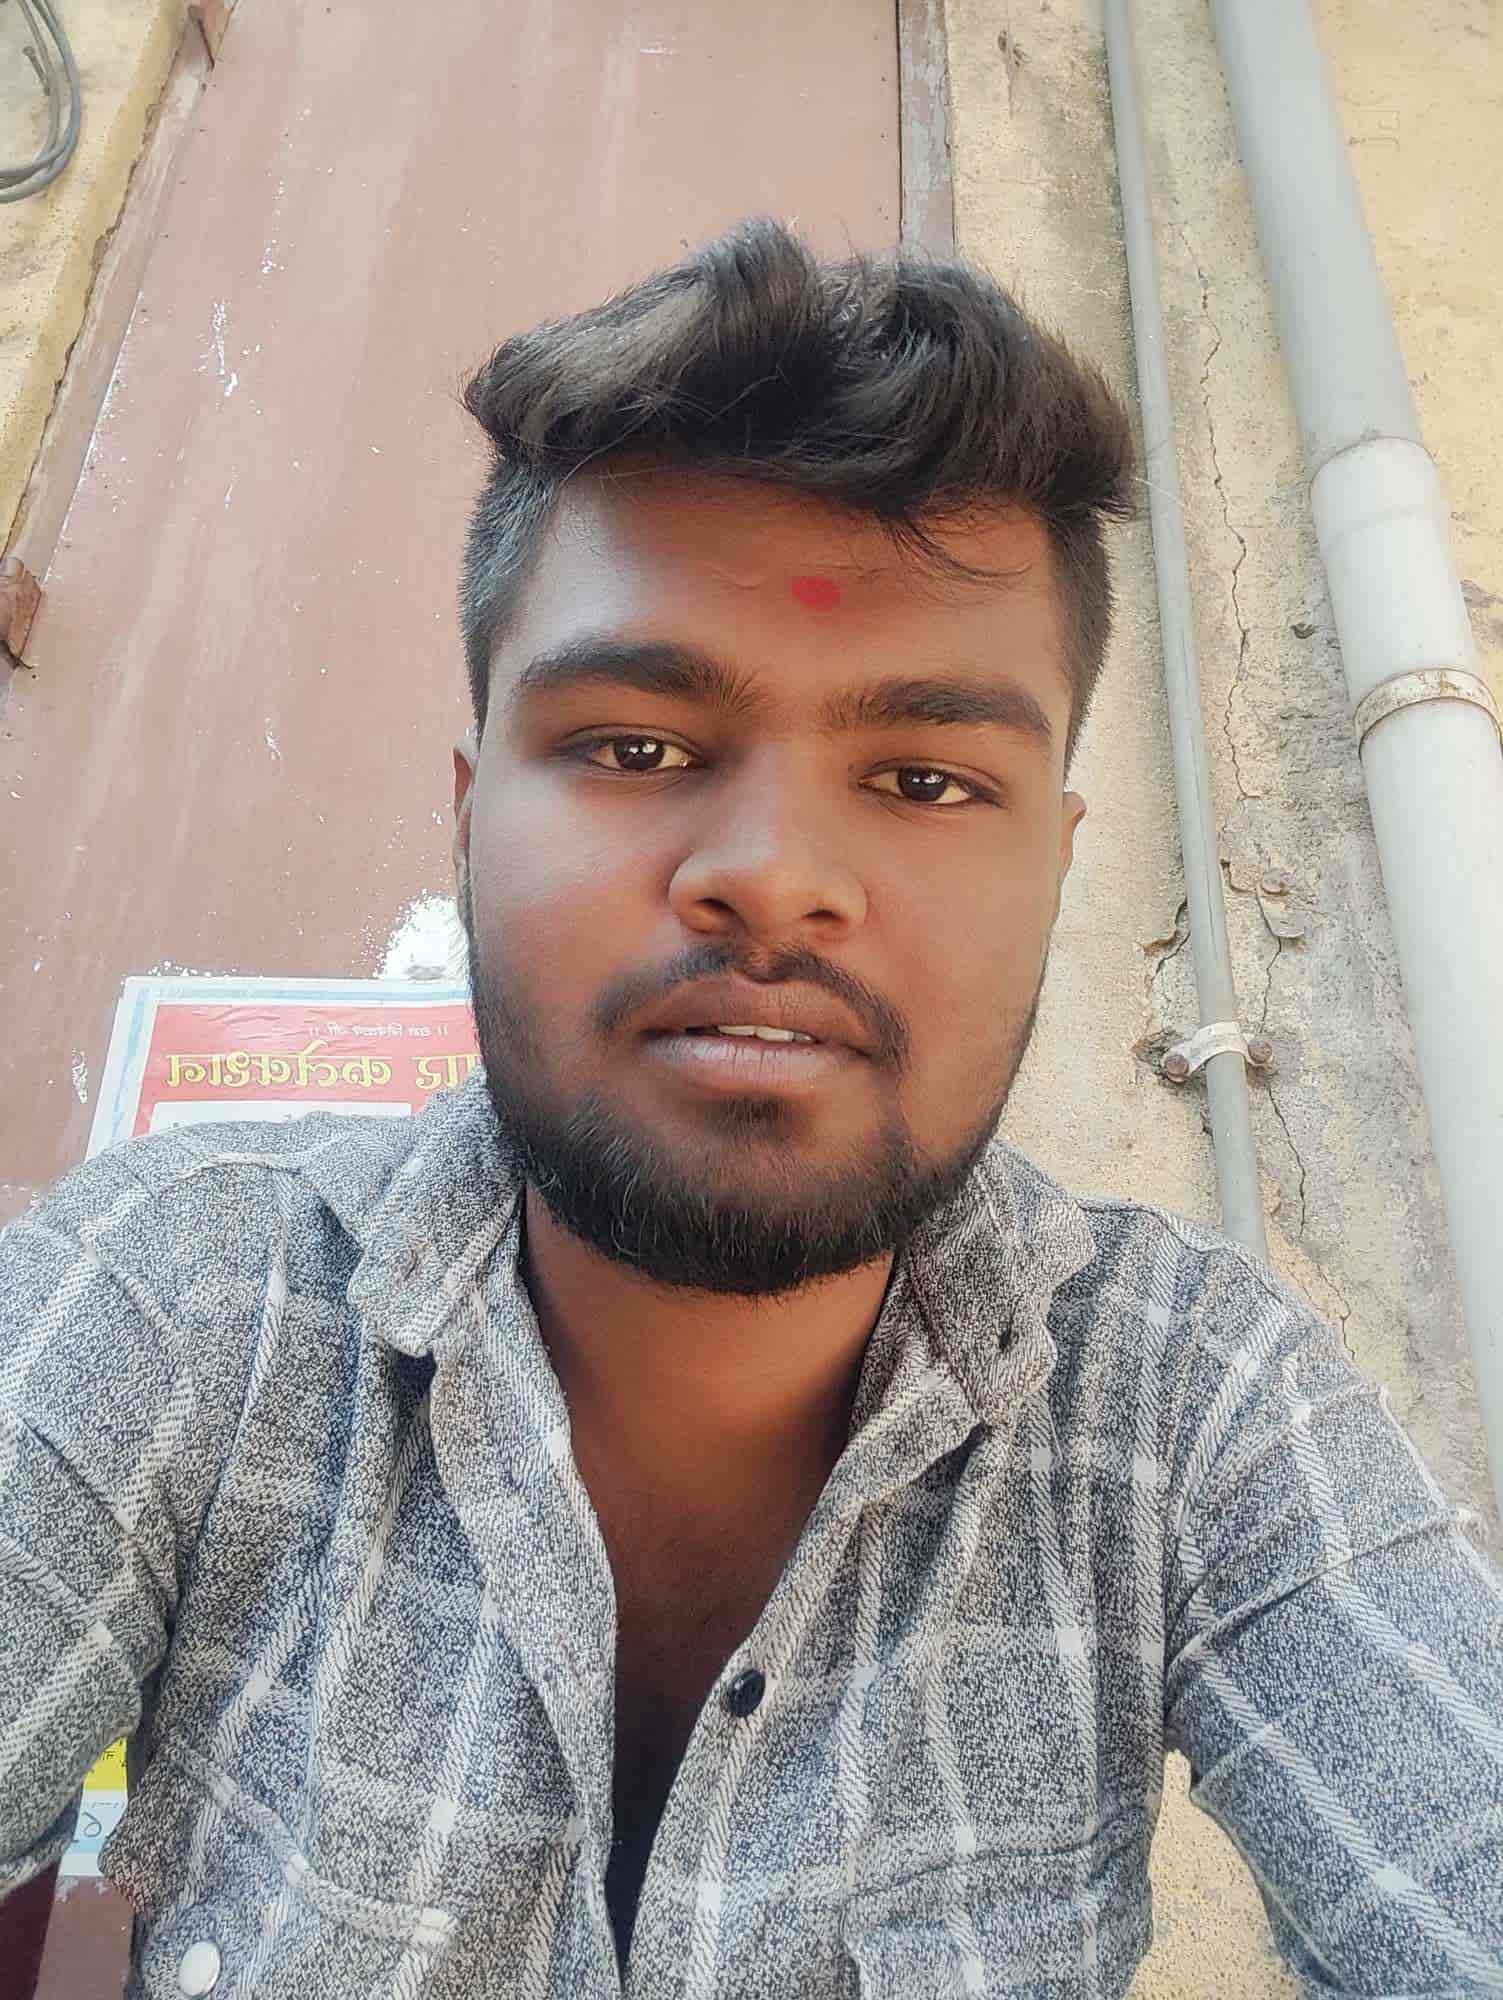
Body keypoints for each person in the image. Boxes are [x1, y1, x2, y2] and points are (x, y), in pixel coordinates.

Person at [2, 216, 1500, 2000]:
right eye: (635, 747)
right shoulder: (181, 1301)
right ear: (468, 820)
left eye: (925, 779)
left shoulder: (1197, 1411)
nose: (775, 876)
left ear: (1055, 867)